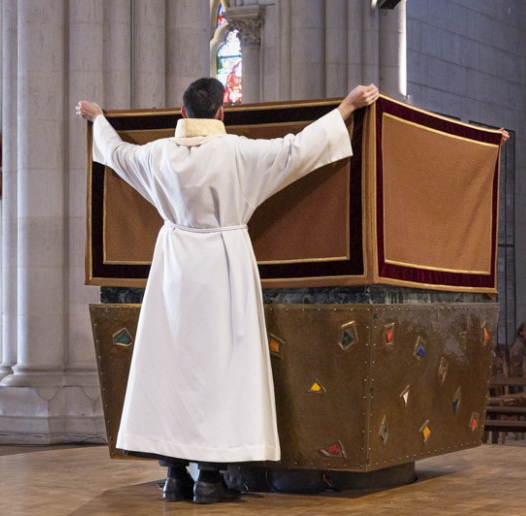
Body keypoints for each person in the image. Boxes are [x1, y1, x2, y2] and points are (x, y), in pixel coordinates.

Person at [76, 79, 380, 504]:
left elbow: (118, 155)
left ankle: (176, 476)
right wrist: (346, 108)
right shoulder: (237, 151)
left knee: (172, 370)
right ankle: (211, 478)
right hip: (223, 266)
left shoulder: (160, 154)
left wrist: (99, 119)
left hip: (174, 270)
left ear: (182, 114)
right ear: (221, 112)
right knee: (220, 370)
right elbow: (297, 150)